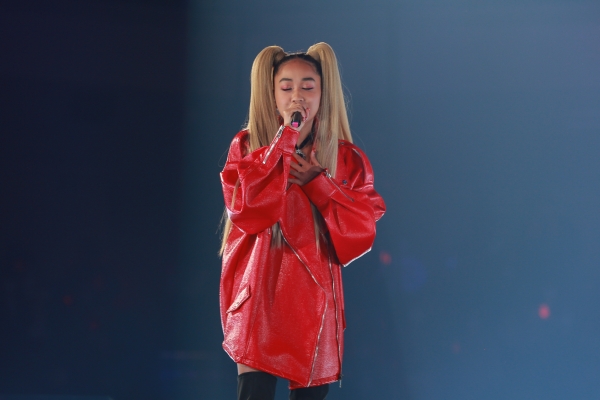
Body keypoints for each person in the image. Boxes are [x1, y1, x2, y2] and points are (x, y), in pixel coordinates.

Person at [219, 42, 386, 400]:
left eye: (308, 87)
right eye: (287, 87)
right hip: (260, 291)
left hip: (314, 299)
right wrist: (285, 139)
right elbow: (247, 209)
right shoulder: (248, 147)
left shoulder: (346, 158)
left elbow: (362, 230)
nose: (297, 96)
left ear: (324, 95)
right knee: (254, 390)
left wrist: (318, 184)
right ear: (272, 96)